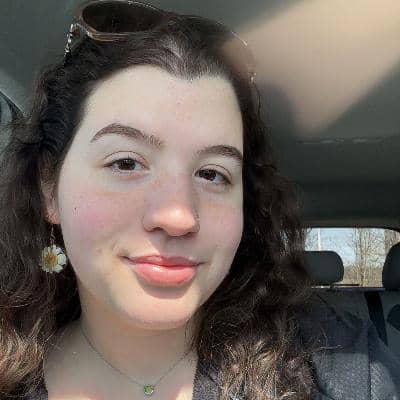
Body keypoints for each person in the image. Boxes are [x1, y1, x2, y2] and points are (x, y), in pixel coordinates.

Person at [0, 1, 399, 399]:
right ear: (48, 189)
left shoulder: (337, 362)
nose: (178, 215)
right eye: (126, 163)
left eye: (212, 174)